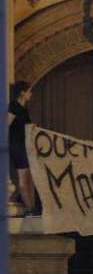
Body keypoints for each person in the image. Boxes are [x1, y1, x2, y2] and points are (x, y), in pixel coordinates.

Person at [8, 81, 37, 215]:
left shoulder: (24, 109)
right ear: (22, 92)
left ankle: (31, 209)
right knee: (23, 179)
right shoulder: (14, 106)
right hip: (17, 147)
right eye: (29, 91)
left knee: (28, 179)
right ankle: (30, 210)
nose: (30, 94)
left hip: (24, 147)